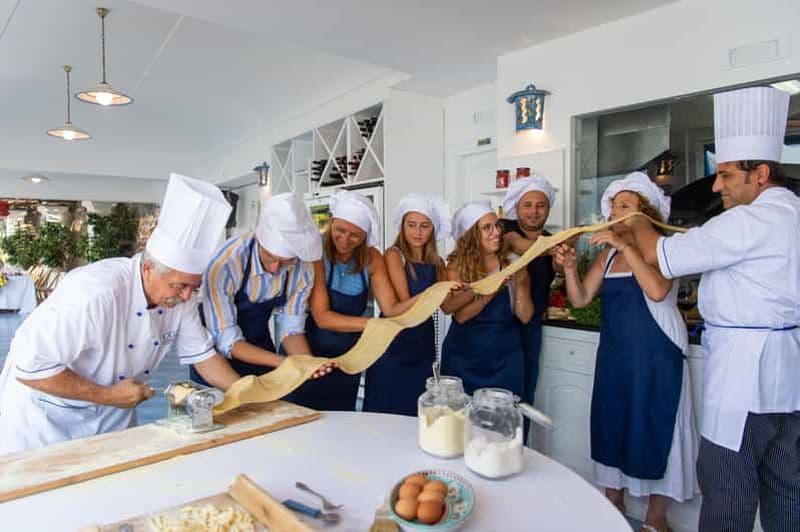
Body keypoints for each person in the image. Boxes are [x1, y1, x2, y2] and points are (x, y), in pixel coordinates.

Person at [631, 86, 800, 532]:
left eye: (726, 175)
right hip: (791, 376)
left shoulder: (749, 221)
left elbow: (661, 255)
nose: (717, 185)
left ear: (760, 173)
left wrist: (633, 219)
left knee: (727, 488)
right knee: (787, 489)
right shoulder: (794, 213)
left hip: (748, 376)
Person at [0, 174, 242, 454]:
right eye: (180, 286)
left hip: (111, 418)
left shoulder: (180, 297)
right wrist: (109, 395)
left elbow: (203, 356)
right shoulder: (95, 293)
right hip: (47, 422)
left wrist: (249, 394)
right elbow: (29, 367)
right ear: (149, 268)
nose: (187, 296)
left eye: (194, 286)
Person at [553, 172, 697, 532]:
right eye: (614, 205)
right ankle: (613, 503)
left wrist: (626, 247)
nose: (616, 211)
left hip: (657, 352)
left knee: (655, 424)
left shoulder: (662, 248)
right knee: (613, 422)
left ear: (644, 213)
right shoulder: (606, 257)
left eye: (625, 206)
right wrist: (571, 268)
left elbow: (658, 290)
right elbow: (581, 298)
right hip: (617, 354)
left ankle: (655, 519)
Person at [285, 189, 419, 411]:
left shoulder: (372, 258)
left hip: (349, 360)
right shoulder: (316, 253)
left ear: (365, 237)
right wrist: (373, 325)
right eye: (340, 230)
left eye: (354, 235)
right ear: (332, 223)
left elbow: (392, 308)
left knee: (342, 424)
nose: (345, 240)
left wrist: (429, 295)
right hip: (309, 354)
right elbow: (322, 318)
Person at [192, 193, 333, 386]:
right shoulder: (226, 264)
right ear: (259, 239)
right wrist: (284, 362)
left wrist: (307, 364)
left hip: (259, 346)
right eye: (269, 256)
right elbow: (227, 340)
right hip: (214, 357)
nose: (275, 269)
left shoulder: (302, 268)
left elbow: (291, 329)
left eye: (285, 262)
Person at [362, 193, 451, 416]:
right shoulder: (394, 255)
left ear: (433, 229)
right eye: (411, 225)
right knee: (385, 412)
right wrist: (437, 291)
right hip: (393, 342)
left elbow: (447, 306)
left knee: (417, 411)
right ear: (402, 226)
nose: (417, 232)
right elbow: (404, 304)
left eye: (424, 226)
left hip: (423, 343)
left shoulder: (437, 263)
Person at [441, 199, 534, 397]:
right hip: (463, 356)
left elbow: (525, 316)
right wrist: (493, 287)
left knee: (503, 419)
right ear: (472, 236)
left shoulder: (511, 262)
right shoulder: (456, 267)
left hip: (505, 357)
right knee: (460, 420)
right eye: (487, 228)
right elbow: (461, 316)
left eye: (497, 226)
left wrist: (522, 277)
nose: (497, 232)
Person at [500, 175, 557, 437]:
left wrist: (563, 258)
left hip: (532, 325)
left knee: (524, 393)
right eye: (528, 205)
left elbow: (557, 274)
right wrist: (558, 247)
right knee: (498, 393)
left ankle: (518, 450)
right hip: (500, 321)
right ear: (517, 207)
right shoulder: (506, 227)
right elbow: (521, 246)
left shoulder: (550, 239)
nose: (534, 211)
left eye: (541, 205)